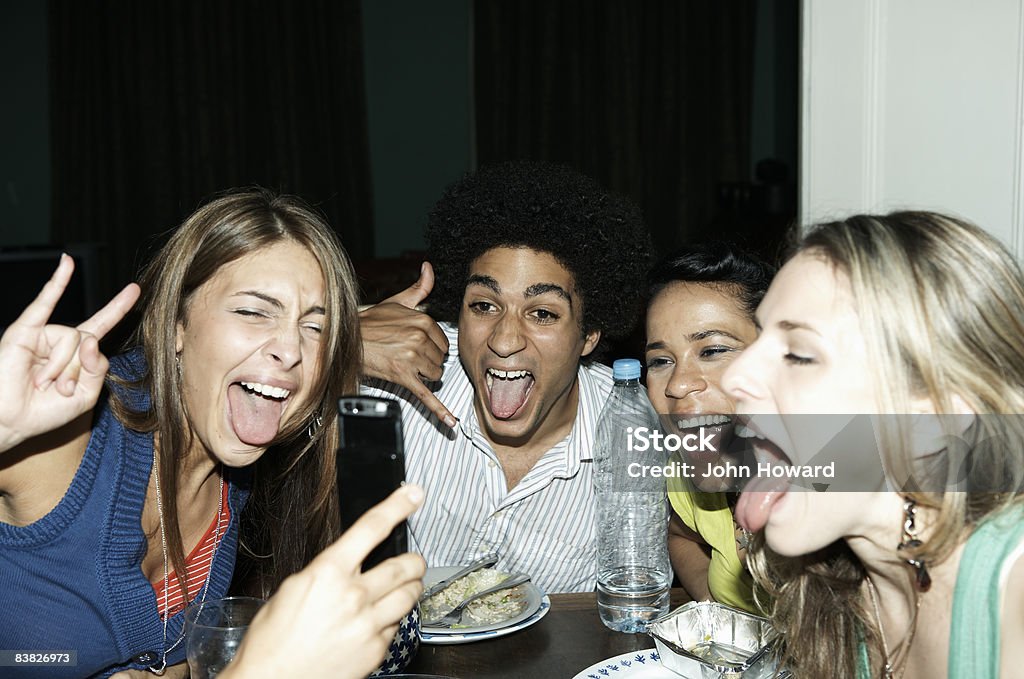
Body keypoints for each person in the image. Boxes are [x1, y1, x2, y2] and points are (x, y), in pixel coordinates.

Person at [0, 189, 422, 678]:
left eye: (315, 328)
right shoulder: (68, 440)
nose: (290, 349)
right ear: (176, 323)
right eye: (252, 312)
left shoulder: (228, 486)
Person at [721, 211, 1024, 678]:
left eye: (800, 354)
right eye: (760, 338)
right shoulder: (837, 592)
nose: (734, 376)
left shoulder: (1013, 594)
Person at [361, 160, 652, 593]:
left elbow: (776, 452)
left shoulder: (633, 425)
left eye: (542, 313)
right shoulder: (405, 370)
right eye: (484, 305)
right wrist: (340, 343)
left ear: (589, 334)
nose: (504, 339)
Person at [643, 243, 774, 612]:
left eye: (713, 350)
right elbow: (680, 534)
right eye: (661, 360)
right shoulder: (689, 466)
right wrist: (714, 608)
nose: (677, 385)